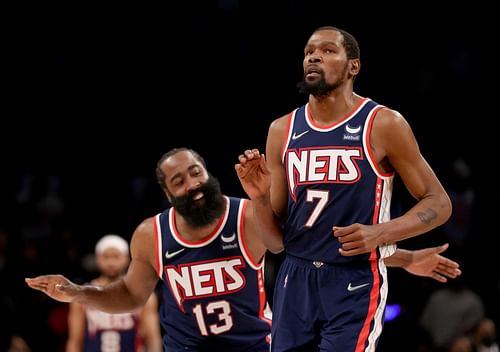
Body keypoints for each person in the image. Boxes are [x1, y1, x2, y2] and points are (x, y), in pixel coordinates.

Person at [25, 148, 458, 351]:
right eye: (179, 181)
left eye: (196, 173)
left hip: (254, 346)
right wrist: (79, 293)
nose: (192, 184)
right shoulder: (150, 235)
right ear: (167, 192)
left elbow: (304, 248)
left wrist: (398, 257)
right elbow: (131, 296)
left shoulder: (245, 215)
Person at [235, 25, 453, 351]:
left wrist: (382, 234)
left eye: (327, 51)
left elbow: (439, 202)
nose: (314, 58)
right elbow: (276, 243)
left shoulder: (383, 124)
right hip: (294, 277)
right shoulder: (282, 129)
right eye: (309, 52)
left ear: (354, 66)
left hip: (355, 281)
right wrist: (261, 199)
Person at [65, 234, 162, 352]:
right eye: (106, 257)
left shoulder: (142, 294)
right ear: (98, 259)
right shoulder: (83, 295)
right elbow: (75, 340)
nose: (111, 262)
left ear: (127, 258)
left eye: (116, 257)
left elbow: (153, 339)